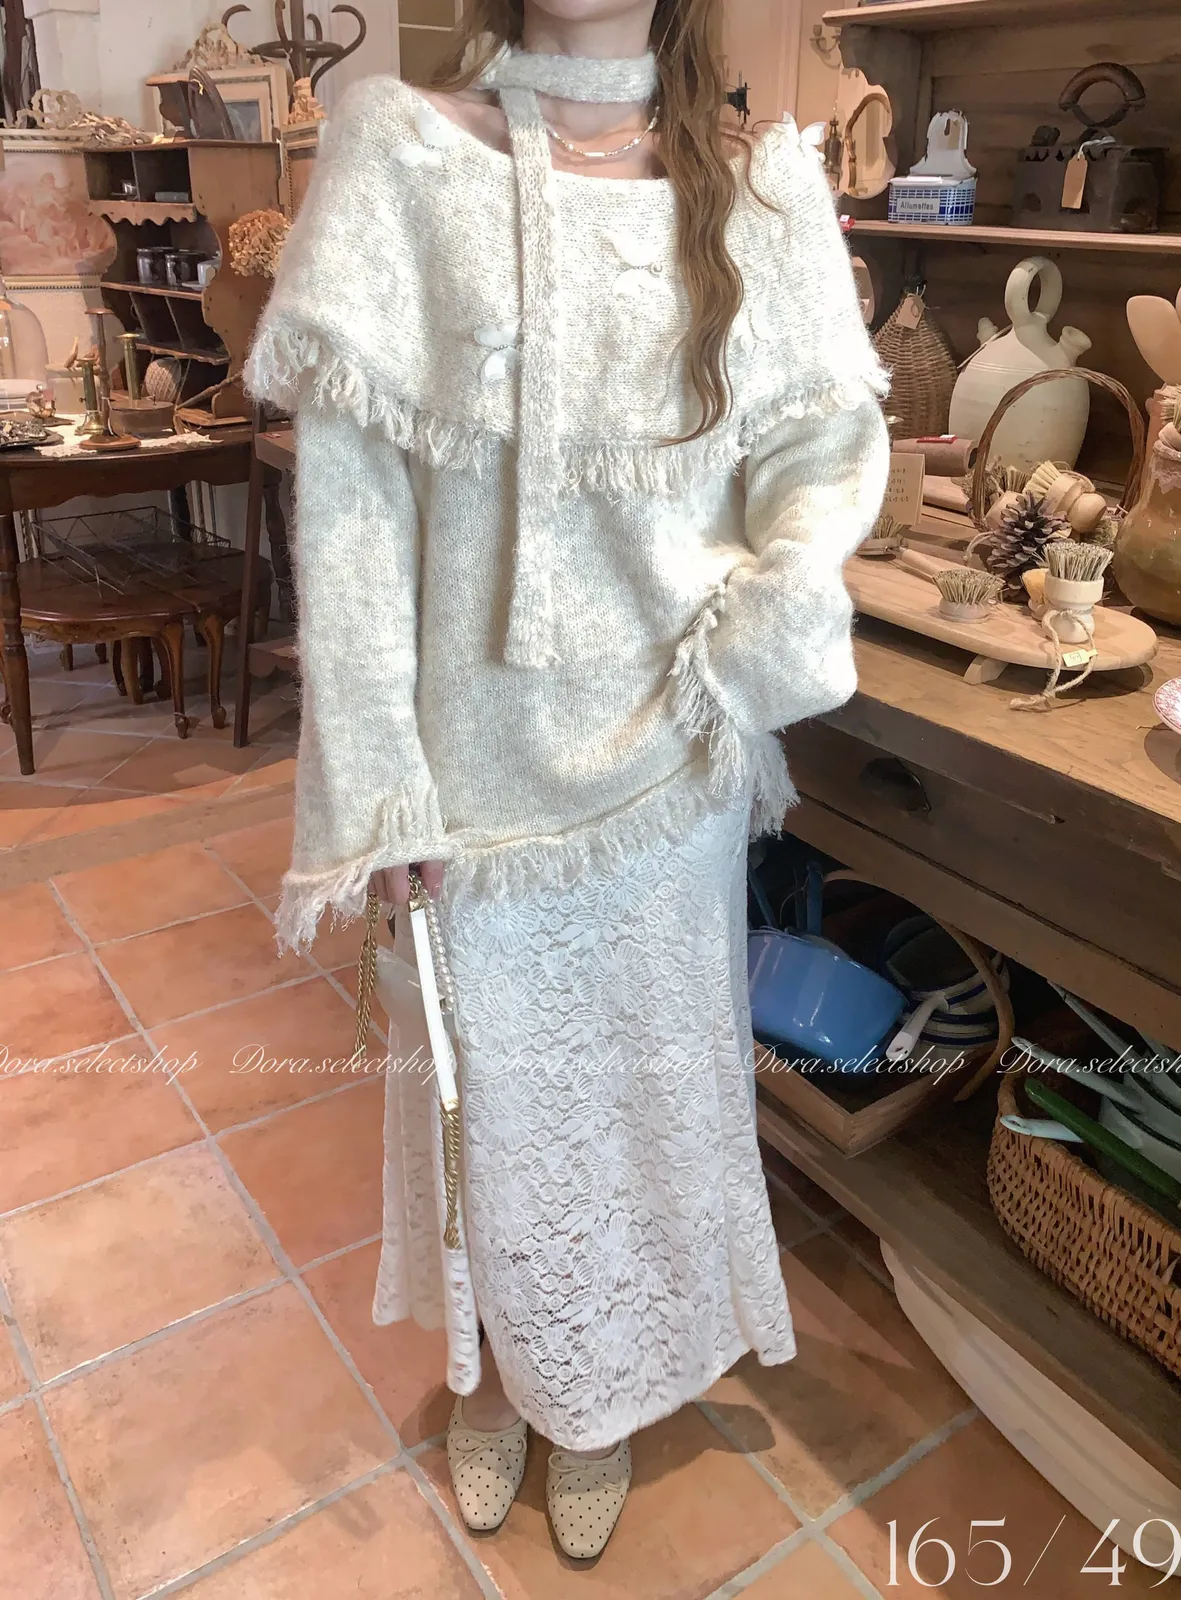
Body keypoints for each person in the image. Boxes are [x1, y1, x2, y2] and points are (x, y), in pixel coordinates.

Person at [247, 0, 888, 1562]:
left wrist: (772, 613)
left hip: (670, 766)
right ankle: (492, 1372)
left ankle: (594, 1395)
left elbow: (821, 445)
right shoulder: (404, 151)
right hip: (469, 786)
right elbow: (352, 511)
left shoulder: (755, 183)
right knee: (484, 1109)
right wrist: (379, 786)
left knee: (648, 1097)